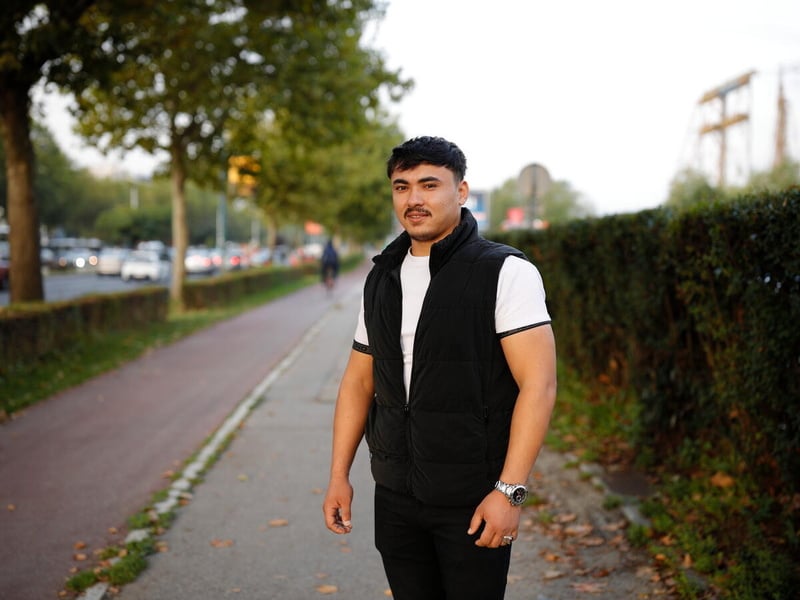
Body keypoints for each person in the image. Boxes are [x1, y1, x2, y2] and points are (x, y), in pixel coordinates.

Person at [322, 136, 557, 600]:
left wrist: (510, 492)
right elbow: (357, 382)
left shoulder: (505, 271)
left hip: (473, 496)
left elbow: (539, 384)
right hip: (395, 495)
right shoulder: (381, 277)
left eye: (429, 185)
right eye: (402, 186)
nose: (414, 199)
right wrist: (338, 476)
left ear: (462, 192)